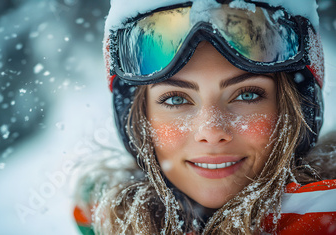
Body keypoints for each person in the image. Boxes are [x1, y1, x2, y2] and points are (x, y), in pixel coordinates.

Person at [73, 0, 336, 234]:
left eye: (246, 95)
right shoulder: (101, 221)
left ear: (298, 109)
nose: (211, 131)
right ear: (138, 120)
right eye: (176, 99)